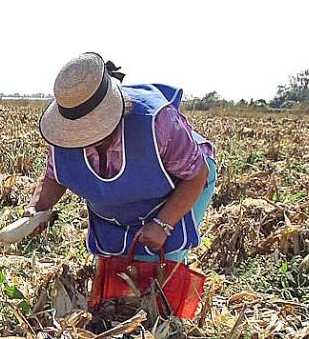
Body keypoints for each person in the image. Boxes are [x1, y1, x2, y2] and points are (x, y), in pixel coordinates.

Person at [26, 52, 216, 262]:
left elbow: (197, 175)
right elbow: (55, 177)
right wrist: (36, 210)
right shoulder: (62, 137)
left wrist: (163, 224)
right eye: (78, 133)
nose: (85, 137)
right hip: (116, 204)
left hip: (184, 180)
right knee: (114, 263)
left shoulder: (154, 122)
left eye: (93, 129)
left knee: (161, 263)